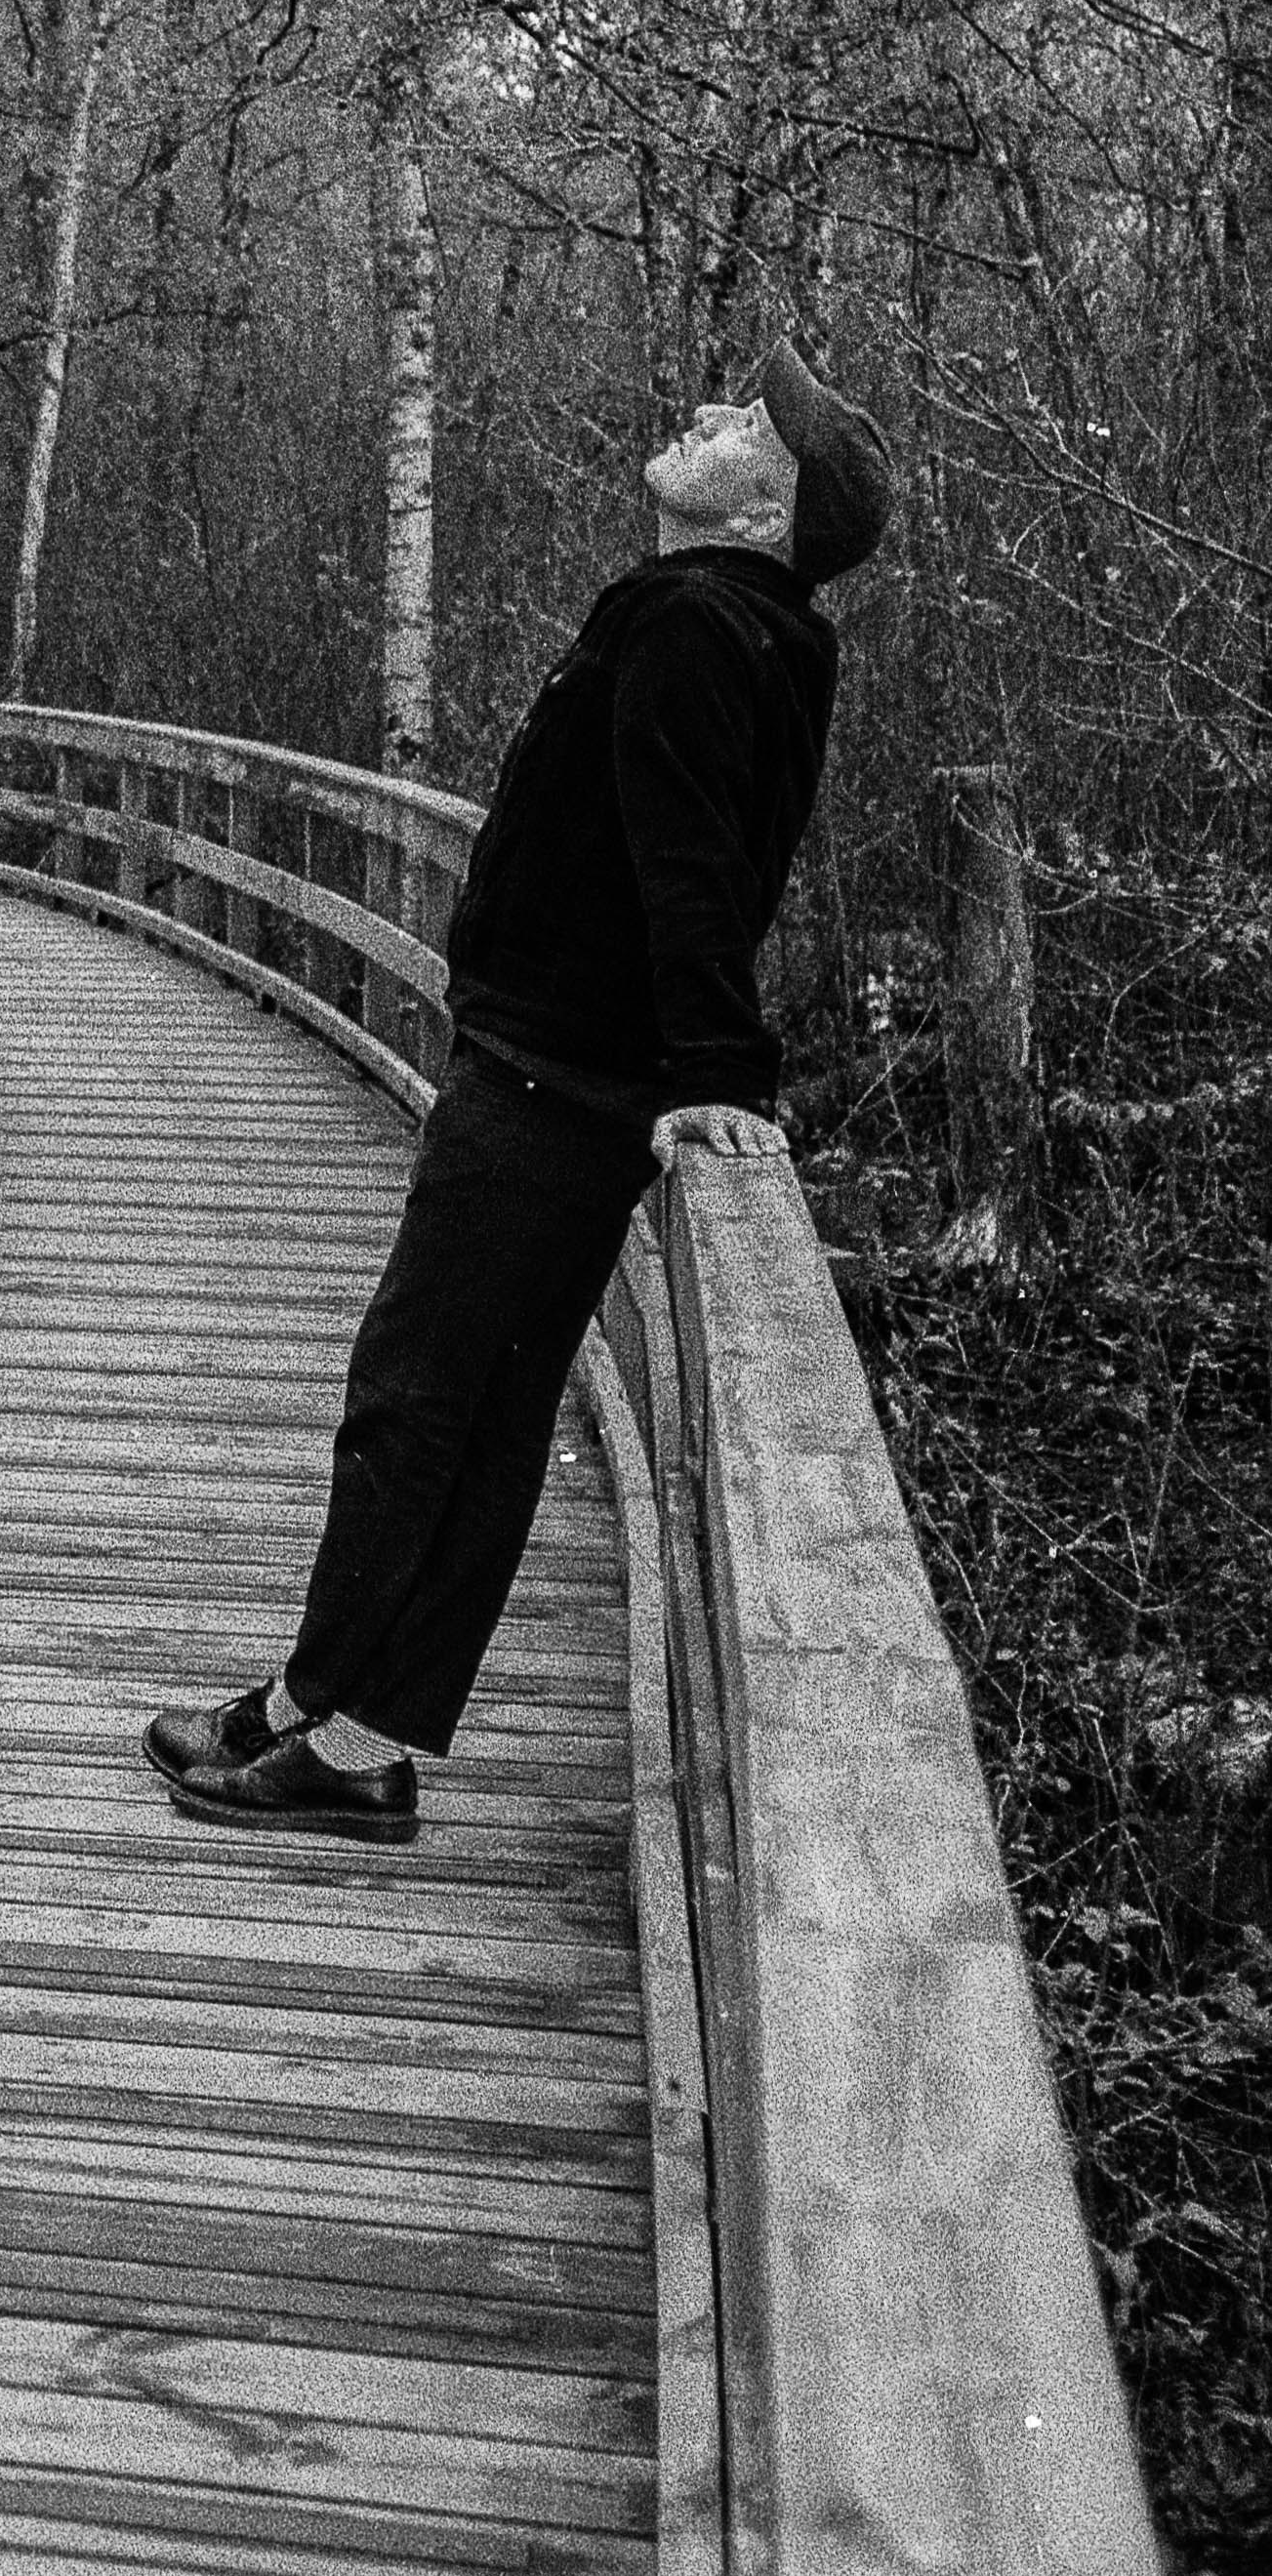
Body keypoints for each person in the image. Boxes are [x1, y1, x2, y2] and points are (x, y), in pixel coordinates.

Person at [145, 333, 893, 1842]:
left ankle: (351, 1743)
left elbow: (692, 863)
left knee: (420, 1402)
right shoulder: (735, 622)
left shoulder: (695, 623)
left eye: (747, 422)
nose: (708, 411)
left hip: (560, 1082)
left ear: (767, 509)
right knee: (466, 1409)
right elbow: (697, 851)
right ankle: (317, 1703)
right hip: (567, 1071)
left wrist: (716, 1069)